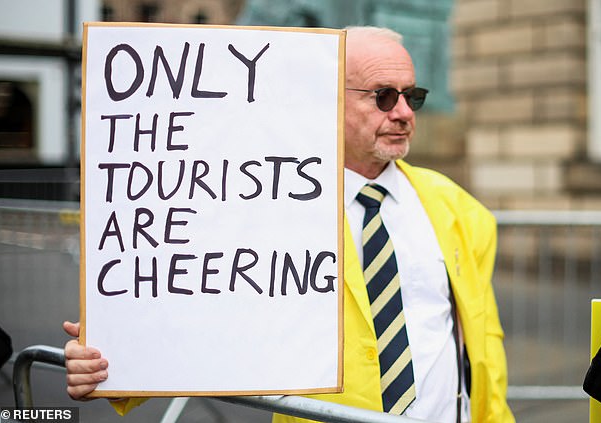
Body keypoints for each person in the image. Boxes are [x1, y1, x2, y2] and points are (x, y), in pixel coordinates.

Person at [64, 26, 514, 422]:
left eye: (411, 96)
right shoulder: (264, 205)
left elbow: (482, 350)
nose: (404, 113)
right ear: (327, 97)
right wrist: (116, 363)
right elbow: (204, 313)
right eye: (383, 96)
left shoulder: (458, 210)